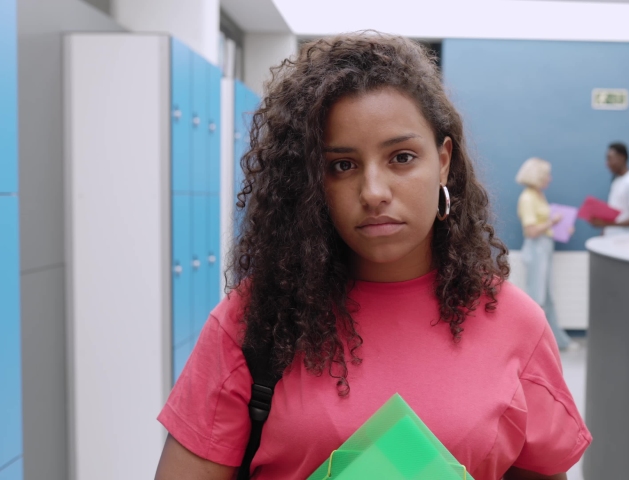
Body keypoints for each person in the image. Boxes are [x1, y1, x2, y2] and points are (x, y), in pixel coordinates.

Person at [154, 33, 590, 480]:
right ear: (312, 181)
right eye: (342, 165)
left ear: (443, 161)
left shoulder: (517, 325)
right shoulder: (255, 320)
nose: (374, 192)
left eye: (401, 158)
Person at [516, 158, 573, 350]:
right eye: (546, 174)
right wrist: (553, 222)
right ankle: (536, 346)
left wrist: (562, 228)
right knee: (537, 297)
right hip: (536, 249)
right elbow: (531, 231)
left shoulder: (538, 195)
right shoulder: (527, 198)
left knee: (547, 296)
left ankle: (556, 342)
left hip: (545, 247)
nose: (550, 178)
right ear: (538, 176)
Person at [591, 142, 629, 236]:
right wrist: (604, 231)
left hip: (628, 241)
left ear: (622, 157)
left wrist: (607, 224)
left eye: (610, 159)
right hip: (613, 239)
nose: (607, 164)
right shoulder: (617, 181)